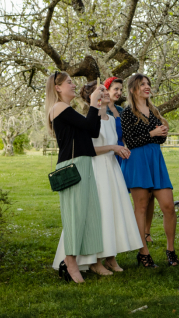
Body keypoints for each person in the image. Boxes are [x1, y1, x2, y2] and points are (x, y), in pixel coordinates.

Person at [52, 81, 142, 275]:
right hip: (97, 168)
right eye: (102, 90)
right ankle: (94, 259)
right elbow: (89, 148)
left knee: (113, 211)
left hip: (112, 169)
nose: (107, 92)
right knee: (99, 213)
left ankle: (110, 256)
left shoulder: (109, 117)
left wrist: (118, 148)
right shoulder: (88, 119)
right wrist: (112, 148)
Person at [45, 71, 105, 283]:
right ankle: (70, 262)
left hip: (83, 163)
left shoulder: (68, 110)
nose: (73, 85)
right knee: (75, 216)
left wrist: (97, 103)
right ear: (57, 88)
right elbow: (90, 126)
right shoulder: (59, 108)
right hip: (72, 166)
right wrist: (93, 101)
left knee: (88, 213)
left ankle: (84, 260)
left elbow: (94, 132)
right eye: (68, 82)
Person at [121, 73, 178, 268]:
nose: (147, 87)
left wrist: (161, 133)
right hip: (137, 162)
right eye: (142, 84)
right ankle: (143, 252)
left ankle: (170, 249)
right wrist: (152, 133)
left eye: (148, 84)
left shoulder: (154, 111)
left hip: (155, 160)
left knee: (168, 206)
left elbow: (159, 139)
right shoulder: (128, 113)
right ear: (132, 89)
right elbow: (130, 141)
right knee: (142, 207)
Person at [105, 76, 156, 245]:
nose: (119, 92)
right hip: (110, 153)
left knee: (148, 195)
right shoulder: (100, 111)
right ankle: (117, 234)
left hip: (127, 152)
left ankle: (145, 232)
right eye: (115, 89)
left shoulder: (123, 110)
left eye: (121, 89)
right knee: (116, 197)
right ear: (106, 90)